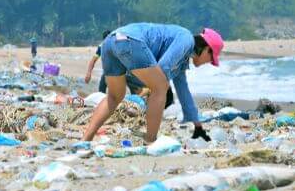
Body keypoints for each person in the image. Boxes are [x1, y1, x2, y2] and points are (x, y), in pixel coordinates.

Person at [82, 23, 224, 143]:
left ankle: (85, 140)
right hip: (131, 41)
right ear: (206, 49)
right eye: (211, 59)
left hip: (111, 41)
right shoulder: (187, 39)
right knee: (161, 86)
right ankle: (151, 140)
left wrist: (197, 125)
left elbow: (183, 90)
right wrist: (155, 88)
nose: (209, 63)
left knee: (114, 97)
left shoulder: (183, 59)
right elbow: (163, 68)